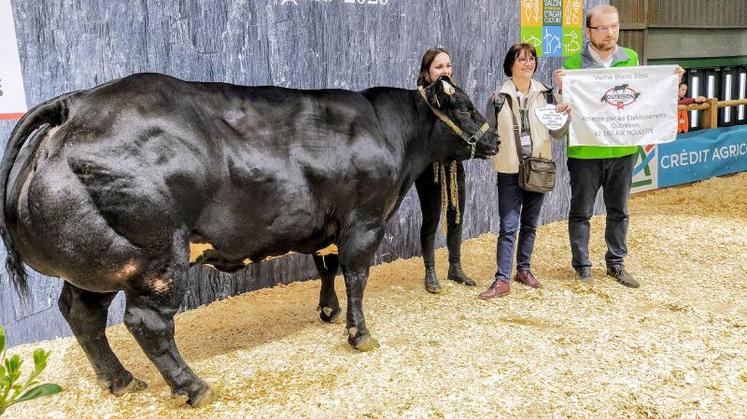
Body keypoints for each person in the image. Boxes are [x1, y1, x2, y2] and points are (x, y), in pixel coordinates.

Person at [553, 4, 667, 288]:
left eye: (614, 26)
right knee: (581, 212)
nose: (610, 33)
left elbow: (644, 94)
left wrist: (669, 80)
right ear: (589, 31)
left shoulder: (630, 58)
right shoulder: (572, 65)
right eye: (603, 28)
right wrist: (560, 94)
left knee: (619, 211)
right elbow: (562, 109)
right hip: (585, 151)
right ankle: (582, 266)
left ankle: (616, 263)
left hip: (622, 149)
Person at [478, 43, 571, 299]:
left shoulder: (548, 95)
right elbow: (488, 135)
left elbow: (559, 133)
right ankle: (501, 279)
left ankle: (524, 269)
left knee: (530, 225)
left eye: (531, 59)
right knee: (508, 226)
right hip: (508, 171)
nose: (527, 63)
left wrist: (565, 113)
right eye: (521, 59)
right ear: (511, 64)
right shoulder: (498, 98)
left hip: (538, 168)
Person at [415, 47, 476, 294]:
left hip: (453, 167)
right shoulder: (420, 100)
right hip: (428, 170)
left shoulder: (456, 96)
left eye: (448, 66)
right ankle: (430, 271)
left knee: (456, 216)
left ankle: (455, 267)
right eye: (439, 67)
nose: (445, 71)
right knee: (431, 219)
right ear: (427, 71)